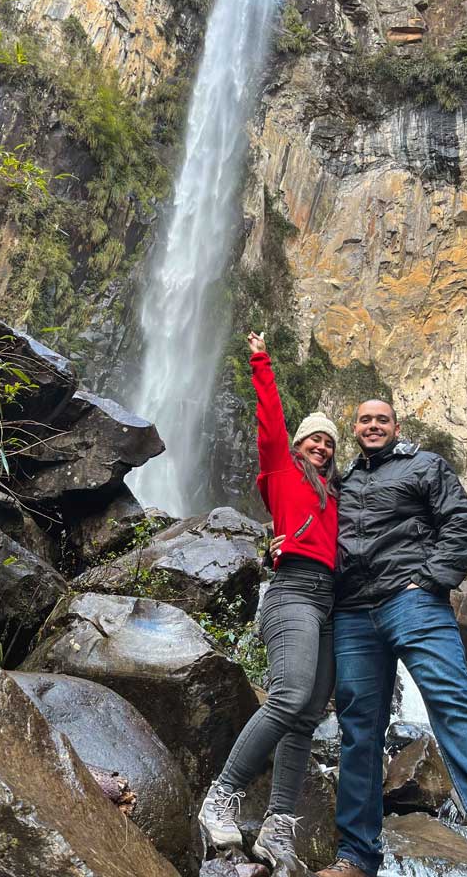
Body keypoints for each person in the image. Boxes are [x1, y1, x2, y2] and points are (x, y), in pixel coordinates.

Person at [272, 399, 467, 877]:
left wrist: (429, 578)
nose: (372, 426)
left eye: (381, 420)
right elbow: (310, 522)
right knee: (358, 731)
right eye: (364, 420)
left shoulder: (424, 464)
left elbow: (462, 522)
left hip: (412, 602)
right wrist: (281, 543)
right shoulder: (339, 482)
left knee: (452, 700)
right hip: (351, 613)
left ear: (395, 426)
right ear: (355, 428)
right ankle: (356, 857)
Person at [198, 331, 341, 870]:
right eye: (314, 440)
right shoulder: (281, 469)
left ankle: (278, 830)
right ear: (299, 445)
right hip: (293, 593)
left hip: (329, 602)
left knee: (305, 716)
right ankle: (222, 797)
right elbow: (272, 425)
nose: (321, 447)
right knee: (288, 696)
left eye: (329, 442)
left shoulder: (334, 496)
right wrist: (260, 361)